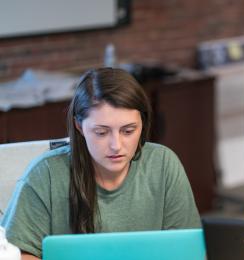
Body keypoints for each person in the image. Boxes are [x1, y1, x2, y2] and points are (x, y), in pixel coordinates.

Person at [1, 68, 201, 260]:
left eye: (128, 131)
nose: (116, 145)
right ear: (79, 126)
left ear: (143, 124)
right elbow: (17, 254)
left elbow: (189, 251)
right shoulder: (46, 174)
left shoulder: (164, 165)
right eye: (101, 132)